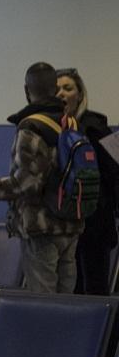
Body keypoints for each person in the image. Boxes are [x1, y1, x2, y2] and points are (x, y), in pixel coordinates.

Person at [0, 62, 83, 293]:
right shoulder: (70, 123)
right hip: (70, 223)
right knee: (68, 302)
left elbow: (23, 184)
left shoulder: (31, 128)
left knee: (43, 303)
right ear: (55, 88)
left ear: (27, 90)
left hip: (41, 227)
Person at [56, 68, 118, 294]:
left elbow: (115, 170)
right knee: (69, 288)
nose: (61, 93)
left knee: (94, 287)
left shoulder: (97, 127)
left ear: (80, 95)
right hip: (62, 224)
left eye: (67, 88)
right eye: (56, 89)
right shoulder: (51, 129)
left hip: (95, 223)